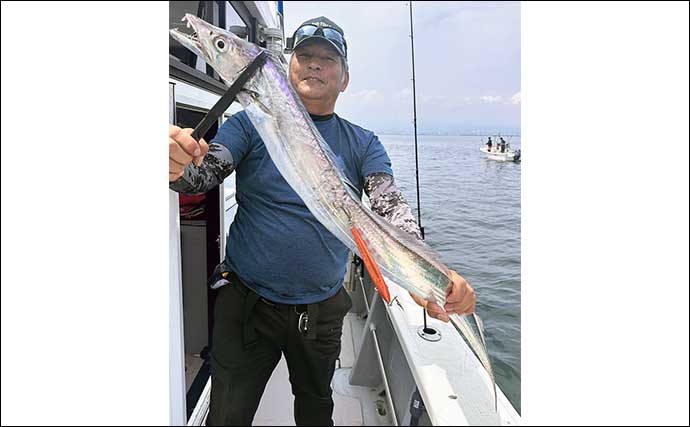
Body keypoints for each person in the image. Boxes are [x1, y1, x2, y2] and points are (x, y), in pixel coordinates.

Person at [169, 16, 476, 426]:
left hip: (321, 312)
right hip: (246, 305)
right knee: (227, 415)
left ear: (344, 78)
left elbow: (391, 208)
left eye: (327, 59)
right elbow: (203, 174)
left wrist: (431, 276)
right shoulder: (247, 122)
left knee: (316, 410)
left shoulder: (363, 142)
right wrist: (175, 164)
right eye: (305, 55)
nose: (315, 64)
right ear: (286, 66)